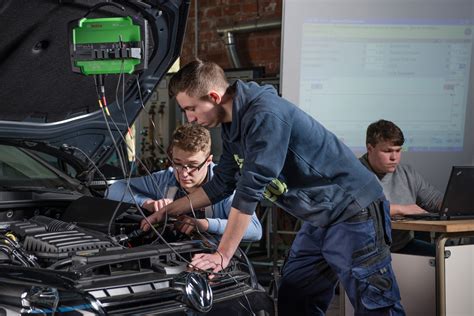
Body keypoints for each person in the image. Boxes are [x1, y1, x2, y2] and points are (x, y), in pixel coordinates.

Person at [140, 60, 405, 315]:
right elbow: (221, 184)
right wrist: (168, 211)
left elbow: (249, 189)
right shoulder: (233, 126)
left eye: (192, 109)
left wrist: (222, 255)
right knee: (295, 296)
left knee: (376, 305)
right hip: (320, 218)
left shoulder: (265, 114)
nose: (190, 118)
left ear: (214, 96)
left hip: (353, 210)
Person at [106, 123, 262, 241]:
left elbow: (255, 230)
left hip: (213, 259)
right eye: (177, 163)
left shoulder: (226, 186)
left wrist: (205, 224)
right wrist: (148, 203)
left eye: (193, 165)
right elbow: (113, 189)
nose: (183, 173)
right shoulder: (166, 178)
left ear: (208, 161)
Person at [360, 119, 443, 256]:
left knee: (445, 258)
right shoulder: (354, 174)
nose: (394, 158)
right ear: (370, 149)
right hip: (366, 253)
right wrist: (401, 209)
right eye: (387, 151)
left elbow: (435, 200)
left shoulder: (407, 173)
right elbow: (356, 210)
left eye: (398, 151)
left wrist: (451, 205)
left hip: (400, 247)